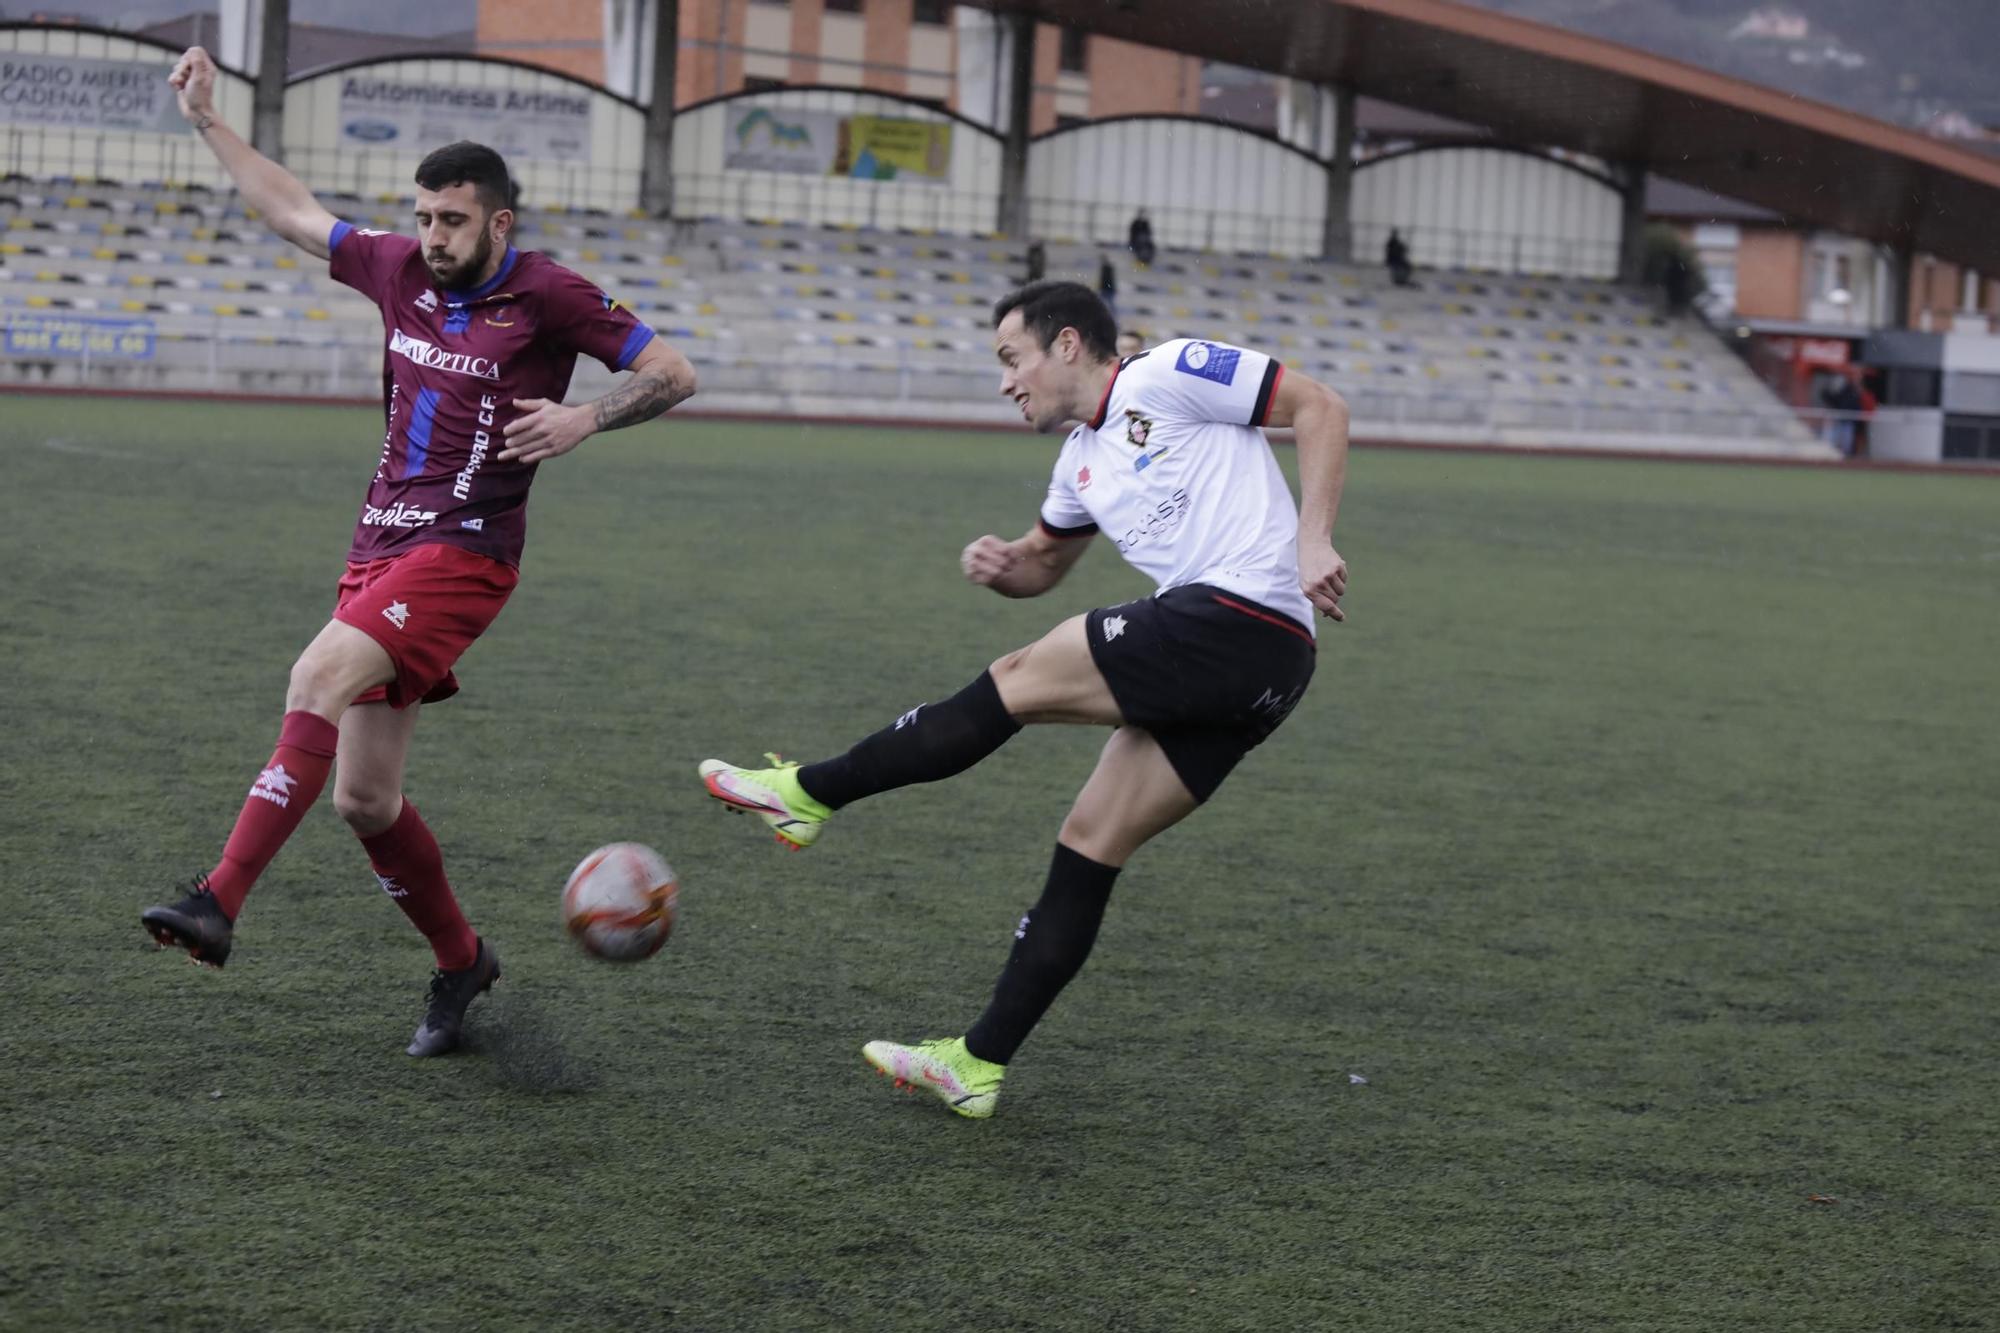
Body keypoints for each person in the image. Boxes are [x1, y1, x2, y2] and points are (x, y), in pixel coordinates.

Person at [139, 47, 698, 1057]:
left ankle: (217, 899)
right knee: (364, 798)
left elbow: (672, 371)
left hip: (466, 554)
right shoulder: (395, 266)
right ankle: (461, 961)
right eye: (426, 215)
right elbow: (293, 209)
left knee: (314, 672)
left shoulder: (550, 296)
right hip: (378, 548)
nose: (433, 235)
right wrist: (208, 122)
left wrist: (585, 418)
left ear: (499, 223)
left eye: (453, 219)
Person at [697, 280, 1349, 1118]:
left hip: (1238, 614)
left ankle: (805, 794)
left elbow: (1319, 406)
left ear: (1067, 344)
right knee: (1088, 844)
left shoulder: (1170, 371)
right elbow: (1044, 565)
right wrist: (1007, 564)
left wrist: (1314, 538)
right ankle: (976, 1065)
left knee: (1010, 683)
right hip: (1269, 672)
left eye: (1013, 359)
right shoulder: (1078, 461)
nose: (1006, 381)